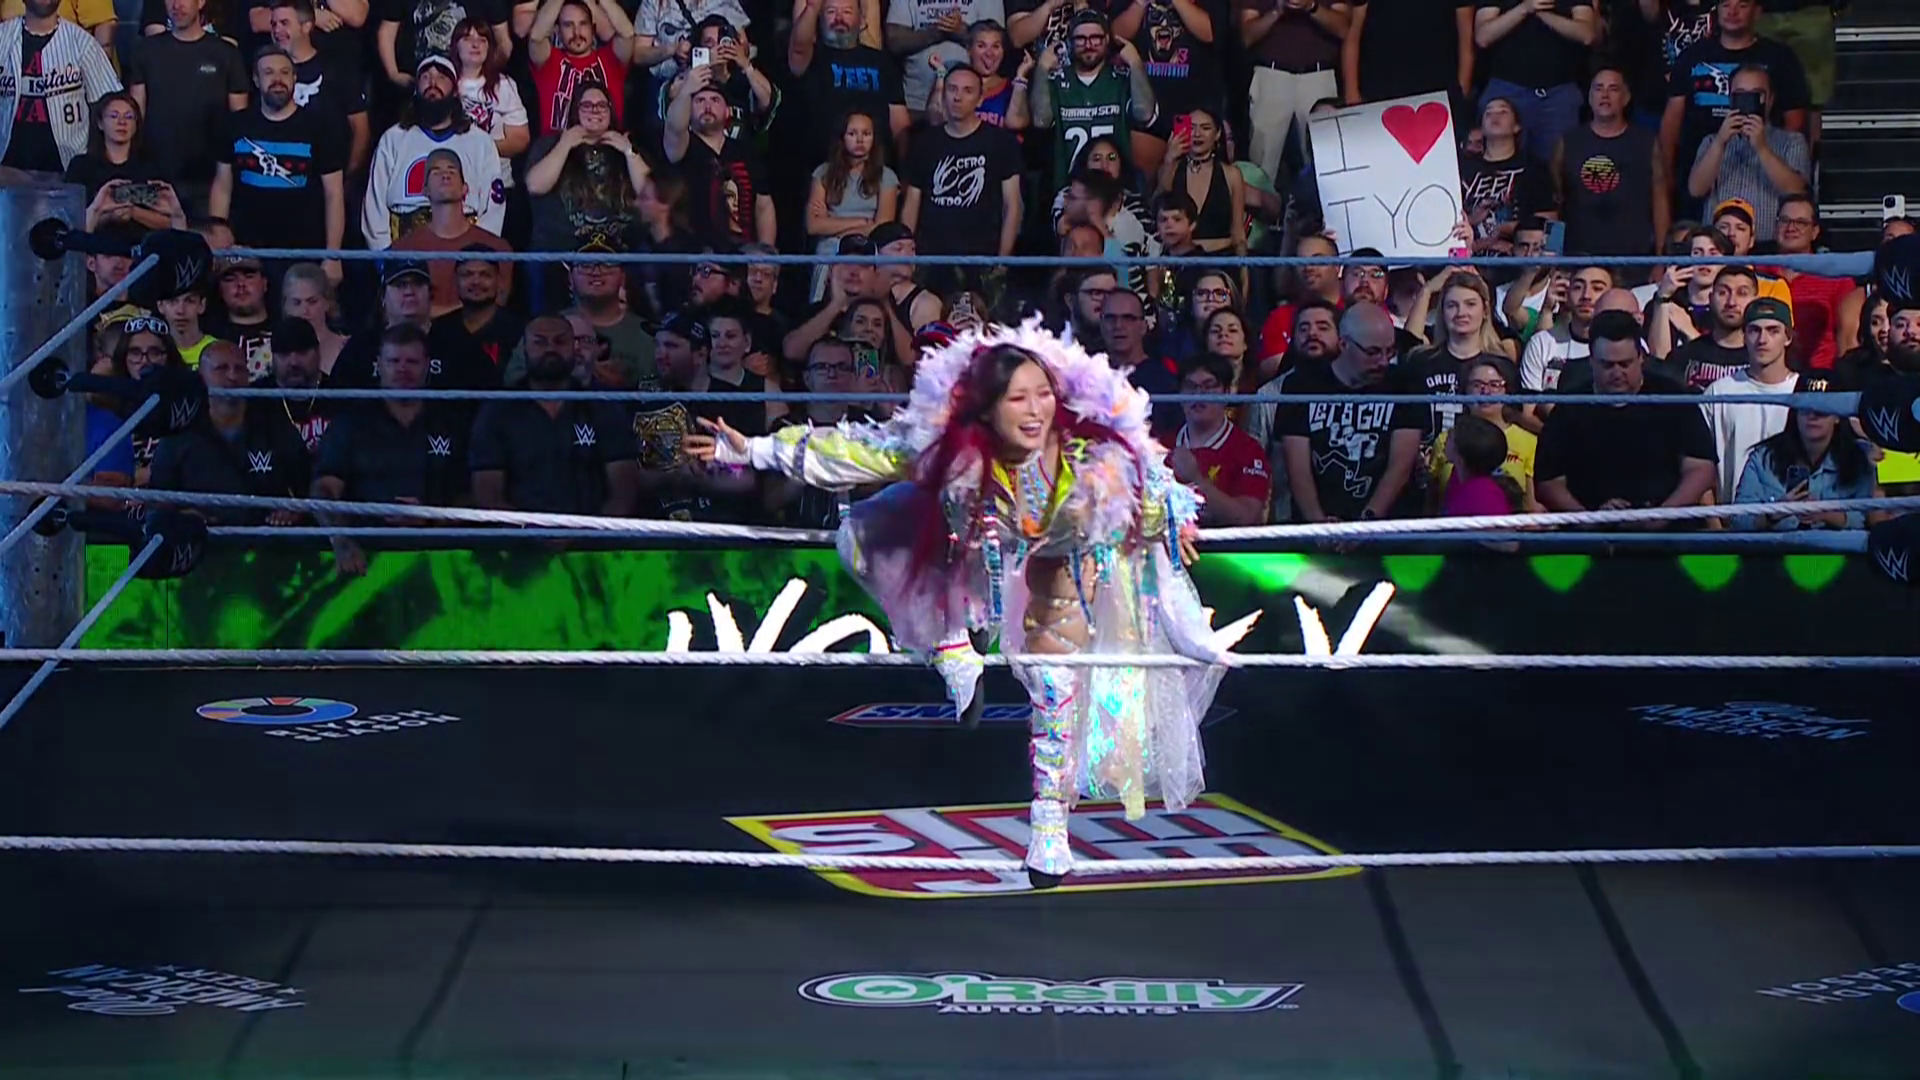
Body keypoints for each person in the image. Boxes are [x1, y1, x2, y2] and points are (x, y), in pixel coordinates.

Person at [685, 320, 1226, 889]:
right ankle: (951, 649)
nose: (1035, 410)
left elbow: (1148, 478)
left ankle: (1049, 821)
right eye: (1018, 398)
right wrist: (755, 450)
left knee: (1054, 679)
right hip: (968, 541)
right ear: (987, 408)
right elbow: (860, 450)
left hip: (1063, 552)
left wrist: (1170, 516)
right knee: (863, 538)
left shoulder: (1091, 458)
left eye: (1043, 394)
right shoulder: (947, 448)